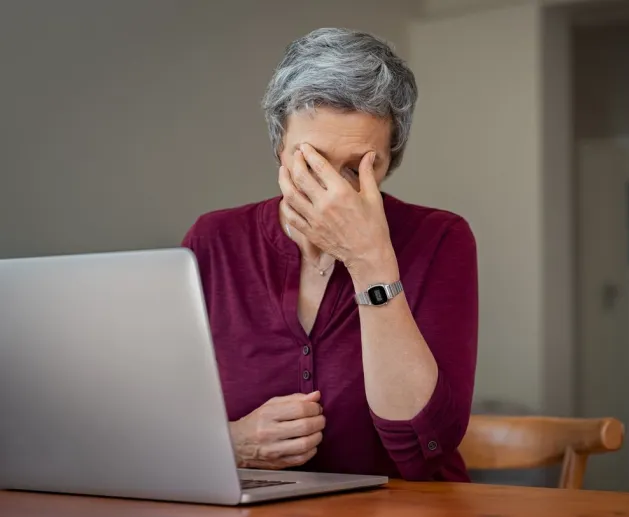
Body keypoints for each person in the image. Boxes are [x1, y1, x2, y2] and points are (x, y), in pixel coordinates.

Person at [182, 28, 478, 481]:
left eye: (359, 167)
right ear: (279, 145)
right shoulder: (213, 240)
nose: (334, 191)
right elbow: (162, 419)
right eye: (313, 161)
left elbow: (425, 446)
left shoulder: (440, 238)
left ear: (390, 160)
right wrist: (232, 442)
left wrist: (368, 260)